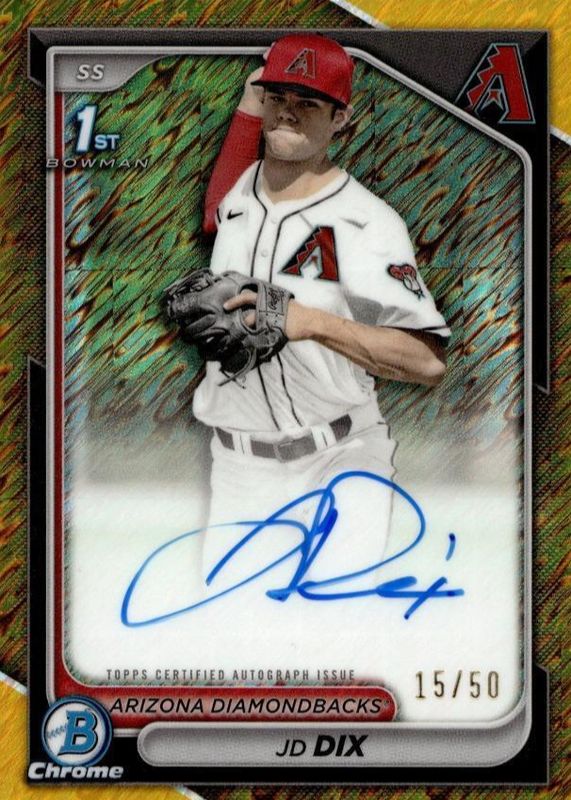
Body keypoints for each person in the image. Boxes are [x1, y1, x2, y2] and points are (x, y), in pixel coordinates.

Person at [193, 34, 450, 598]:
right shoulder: (238, 196)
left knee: (331, 632)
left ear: (341, 119)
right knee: (233, 638)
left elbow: (427, 362)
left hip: (340, 462)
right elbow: (218, 212)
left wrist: (309, 321)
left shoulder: (368, 222)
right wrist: (252, 96)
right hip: (238, 470)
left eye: (308, 102)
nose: (287, 111)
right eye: (278, 96)